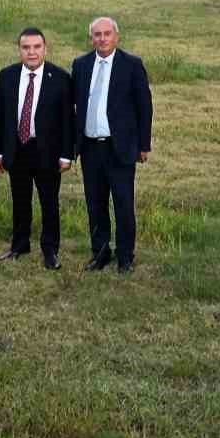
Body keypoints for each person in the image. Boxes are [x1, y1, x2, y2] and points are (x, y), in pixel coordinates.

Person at [71, 17, 152, 274]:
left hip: (121, 148)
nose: (102, 38)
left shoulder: (131, 65)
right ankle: (100, 252)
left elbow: (144, 106)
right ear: (91, 37)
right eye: (97, 34)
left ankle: (125, 256)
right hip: (91, 147)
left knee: (123, 204)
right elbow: (74, 106)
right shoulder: (81, 65)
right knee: (95, 203)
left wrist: (143, 144)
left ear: (116, 36)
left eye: (107, 34)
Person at [0, 27, 75, 270]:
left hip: (46, 150)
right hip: (16, 147)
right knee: (20, 199)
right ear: (20, 50)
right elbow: (0, 116)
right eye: (26, 47)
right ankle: (19, 245)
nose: (31, 52)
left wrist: (66, 154)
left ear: (45, 49)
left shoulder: (59, 78)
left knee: (49, 202)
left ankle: (50, 250)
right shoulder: (6, 76)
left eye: (36, 47)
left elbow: (68, 120)